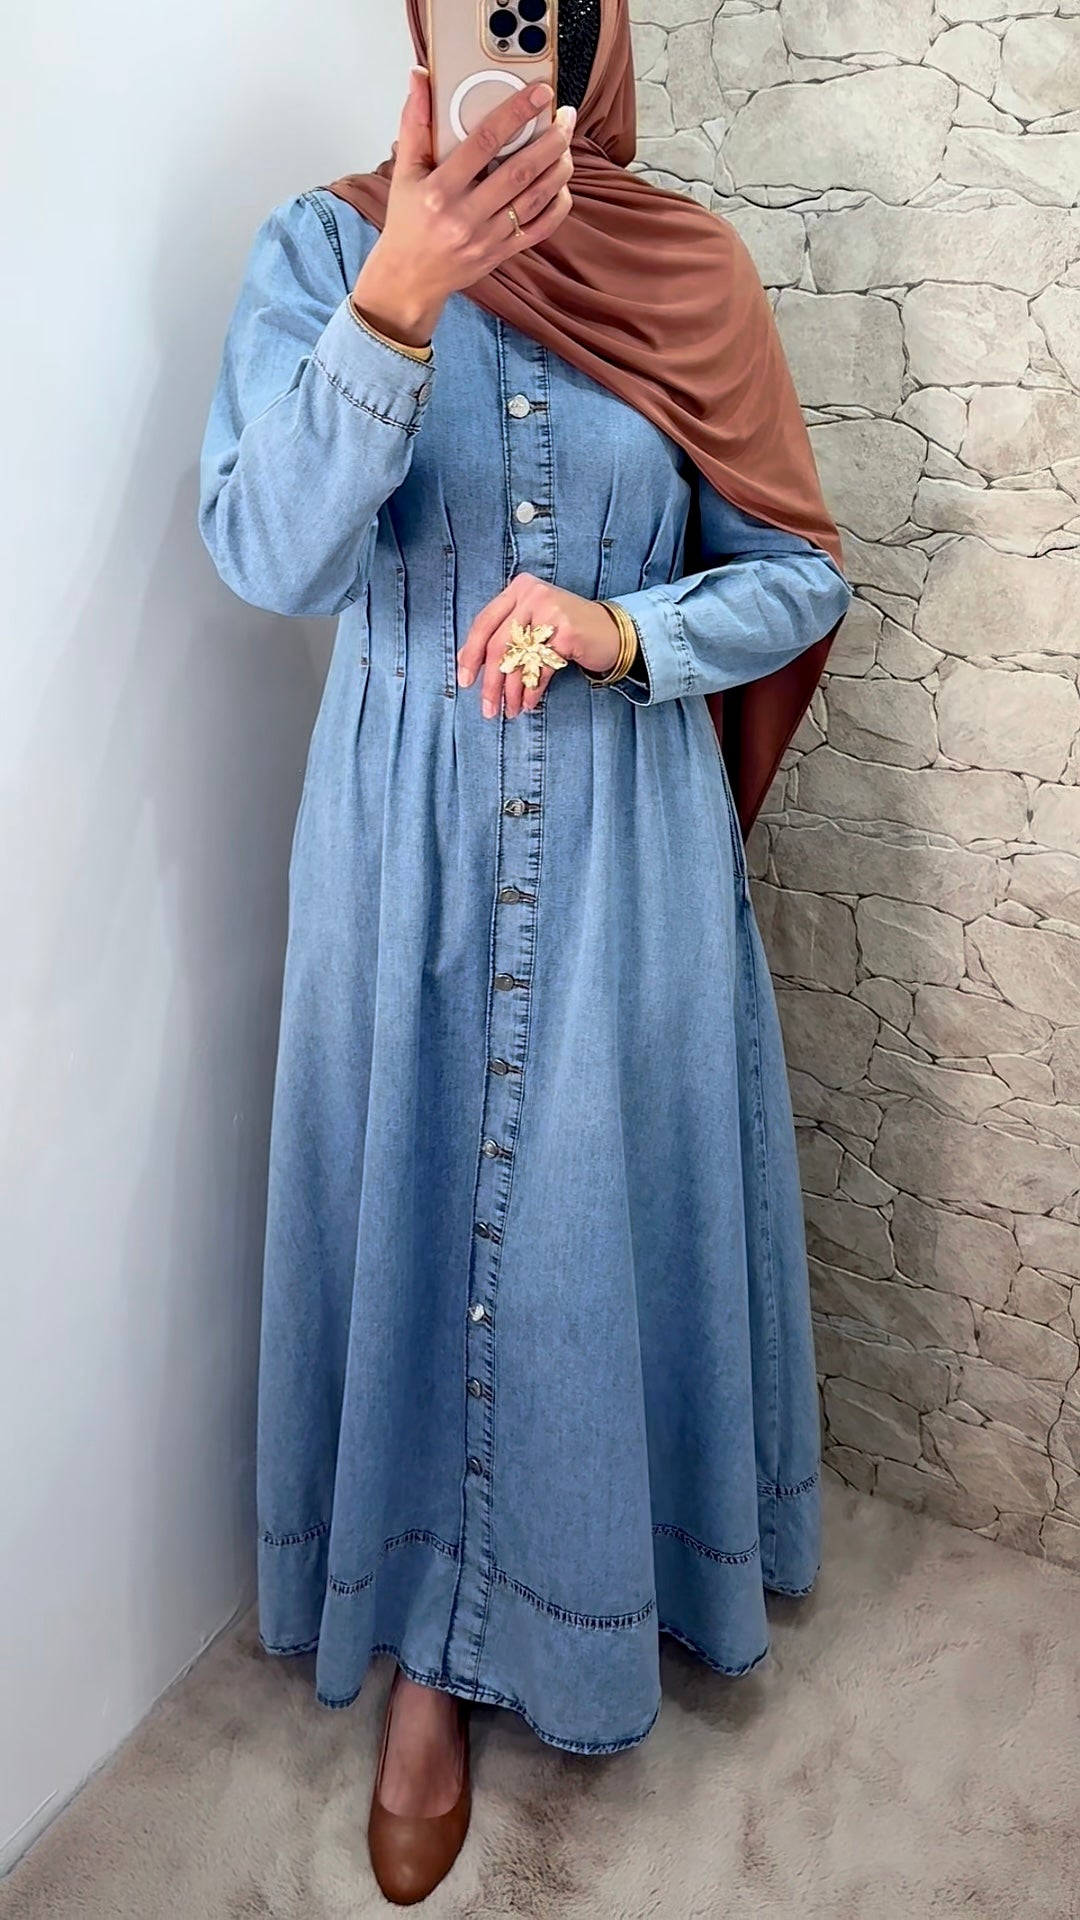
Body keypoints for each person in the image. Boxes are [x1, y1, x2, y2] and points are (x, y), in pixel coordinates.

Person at [199, 0, 853, 1904]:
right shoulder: (324, 247)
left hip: (627, 858)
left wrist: (626, 629)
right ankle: (426, 1659)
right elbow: (267, 555)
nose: (514, 29)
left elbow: (800, 573)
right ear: (415, 31)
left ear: (593, 40)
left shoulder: (690, 270)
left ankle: (598, 1584)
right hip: (401, 853)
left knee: (584, 1234)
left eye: (545, 6)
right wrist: (399, 302)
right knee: (413, 1214)